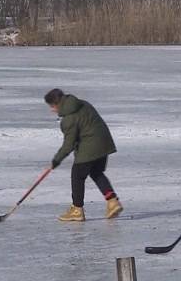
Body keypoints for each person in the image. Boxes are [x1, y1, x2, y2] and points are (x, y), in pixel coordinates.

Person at [45, 89, 123, 222]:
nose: (52, 110)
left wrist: (56, 160)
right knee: (96, 172)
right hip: (104, 143)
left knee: (77, 175)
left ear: (57, 104)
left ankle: (77, 210)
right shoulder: (82, 103)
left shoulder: (68, 119)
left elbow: (68, 144)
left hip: (90, 146)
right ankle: (112, 201)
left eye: (52, 106)